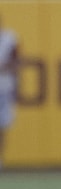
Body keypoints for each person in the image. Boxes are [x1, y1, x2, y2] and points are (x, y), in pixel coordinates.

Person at [0, 16, 18, 170]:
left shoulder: (9, 39)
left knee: (3, 124)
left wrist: (4, 66)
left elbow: (17, 62)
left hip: (4, 87)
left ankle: (0, 159)